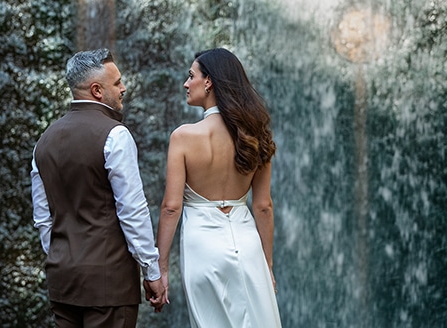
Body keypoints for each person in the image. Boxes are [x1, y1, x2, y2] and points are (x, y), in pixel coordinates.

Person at [30, 49, 165, 327]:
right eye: (117, 83)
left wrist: (62, 257)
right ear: (97, 90)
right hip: (108, 282)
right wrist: (151, 271)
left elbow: (43, 219)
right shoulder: (115, 135)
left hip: (62, 280)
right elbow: (132, 211)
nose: (123, 88)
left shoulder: (43, 141)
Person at [155, 48, 282, 327]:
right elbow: (263, 206)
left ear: (209, 82)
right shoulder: (256, 135)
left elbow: (171, 207)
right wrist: (268, 265)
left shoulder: (183, 137)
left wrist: (160, 269)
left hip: (203, 246)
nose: (186, 84)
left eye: (191, 76)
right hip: (248, 246)